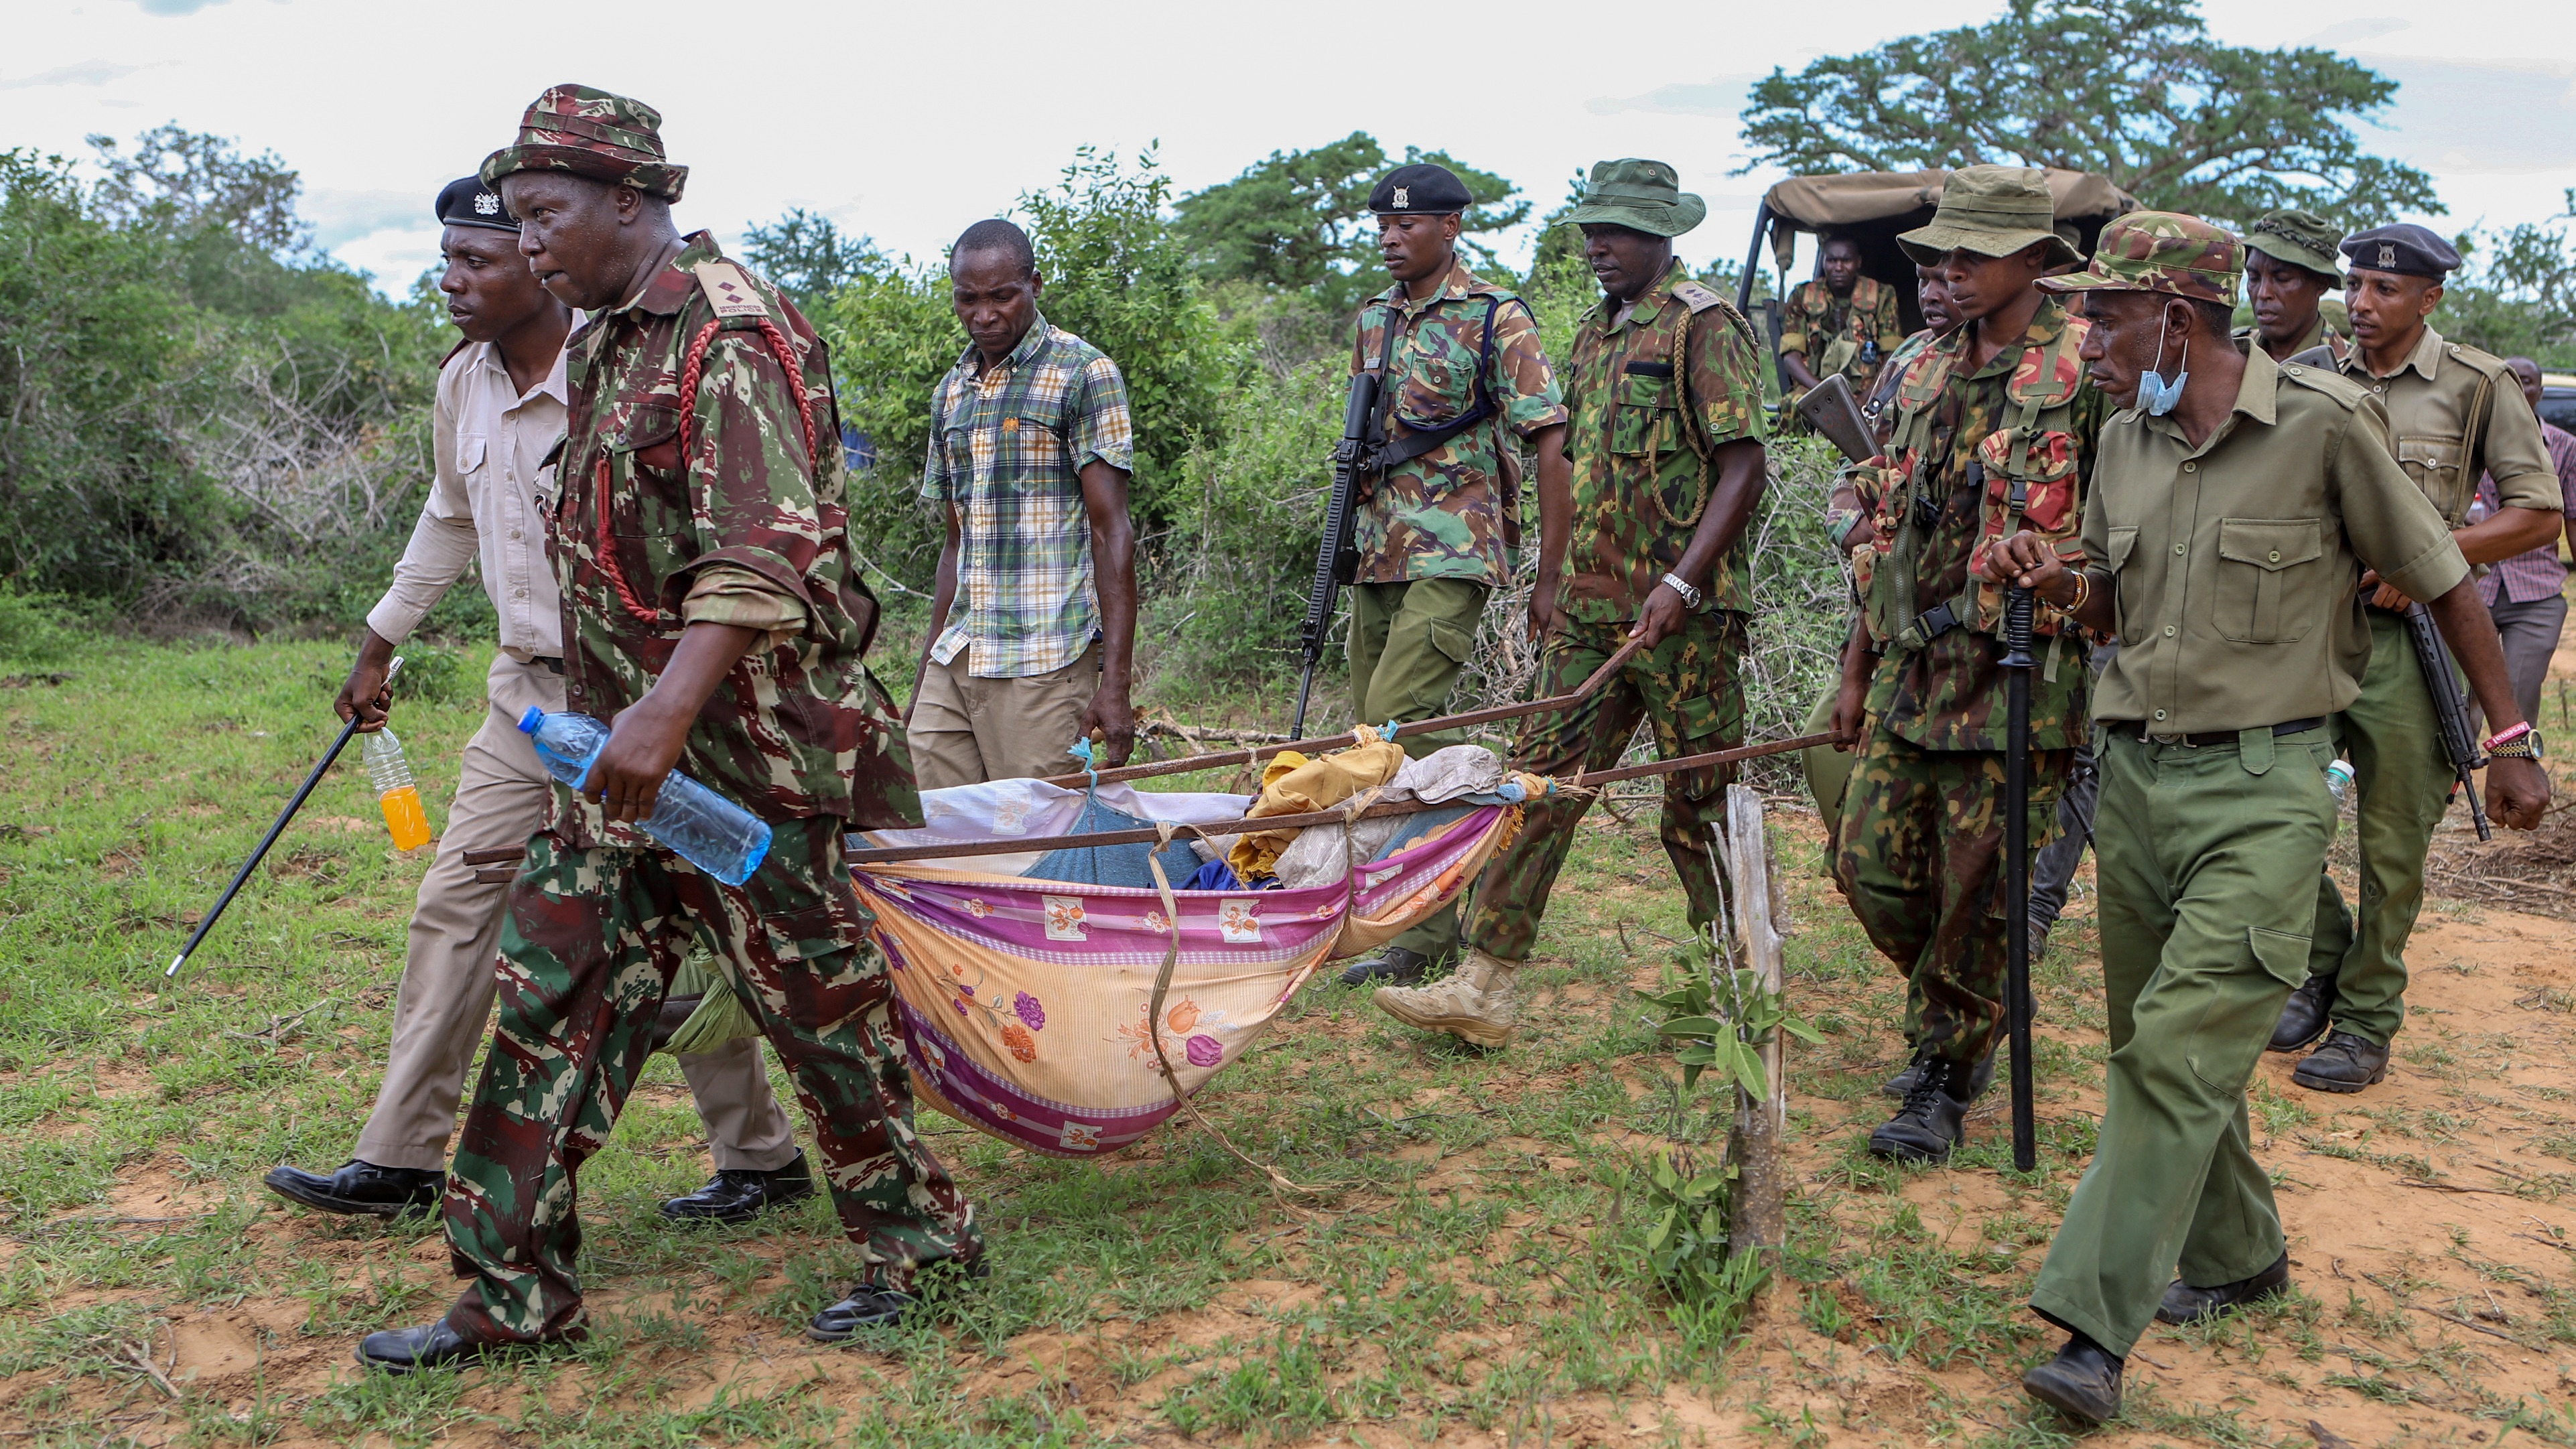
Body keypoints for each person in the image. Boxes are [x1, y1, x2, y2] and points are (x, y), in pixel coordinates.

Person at [358, 86, 978, 1373]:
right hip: (622, 770)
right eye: (520, 218)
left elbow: (764, 556)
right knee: (548, 996)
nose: (531, 242)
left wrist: (660, 714)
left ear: (629, 200)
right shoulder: (604, 345)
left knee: (822, 1015)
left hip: (753, 765)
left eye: (546, 213)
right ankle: (510, 1292)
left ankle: (922, 1246)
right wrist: (611, 727)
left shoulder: (728, 335)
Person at [1990, 212, 2549, 1428]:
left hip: (2263, 790)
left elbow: (2444, 579)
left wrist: (2508, 741)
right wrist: (2057, 577)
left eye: (2103, 317)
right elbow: (2108, 601)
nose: (2084, 341)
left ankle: (2092, 1326)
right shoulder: (2123, 440)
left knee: (2172, 1052)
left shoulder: (2323, 425)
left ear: (2173, 319)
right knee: (2163, 1042)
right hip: (2134, 782)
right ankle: (2240, 1252)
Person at [263, 176, 809, 1231]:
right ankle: (399, 1154)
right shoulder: (462, 382)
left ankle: (760, 1155)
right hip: (523, 699)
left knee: (683, 915)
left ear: (535, 258)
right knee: (457, 901)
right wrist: (379, 642)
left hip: (646, 698)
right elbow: (447, 514)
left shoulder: (627, 367)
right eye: (447, 260)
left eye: (476, 260)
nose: (452, 281)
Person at [1373, 159, 1769, 1048]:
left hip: (1686, 618)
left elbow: (1743, 466)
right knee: (1537, 789)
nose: (1599, 246)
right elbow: (1572, 467)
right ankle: (1484, 983)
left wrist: (1681, 582)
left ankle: (1737, 993)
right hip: (1592, 612)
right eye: (1592, 230)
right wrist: (1550, 582)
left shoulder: (1704, 326)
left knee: (1698, 805)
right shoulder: (1592, 333)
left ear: (1662, 233)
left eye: (1617, 231)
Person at [1829, 166, 2105, 1160]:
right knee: (1866, 866)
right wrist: (1854, 669)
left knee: (1981, 888)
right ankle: (1972, 1007)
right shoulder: (1915, 363)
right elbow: (1879, 516)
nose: (1946, 270)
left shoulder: (2085, 367)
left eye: (1968, 254)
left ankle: (1945, 1073)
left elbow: (2123, 528)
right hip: (1911, 664)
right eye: (1938, 254)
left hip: (2020, 674)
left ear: (2033, 259)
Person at [2270, 224, 2565, 1094]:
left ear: (2428, 299)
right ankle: (2324, 959)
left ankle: (2365, 1019)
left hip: (2411, 640)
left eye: (2384, 289)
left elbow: (2536, 515)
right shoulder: (2306, 373)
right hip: (2304, 632)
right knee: (2272, 808)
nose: (2360, 303)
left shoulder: (2475, 385)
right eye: (2354, 285)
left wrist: (2428, 557)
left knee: (2392, 844)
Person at [1331, 163, 1569, 989]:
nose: (1391, 238)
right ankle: (1410, 917)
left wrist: (1548, 575)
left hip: (1455, 548)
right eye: (1382, 226)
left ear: (1450, 227)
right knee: (1377, 736)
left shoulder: (1495, 316)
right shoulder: (1373, 319)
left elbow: (1550, 439)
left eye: (1409, 225)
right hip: (1377, 551)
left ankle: (1436, 912)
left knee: (1397, 721)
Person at [910, 218, 1138, 787]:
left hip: (1044, 657)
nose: (983, 315)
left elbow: (1112, 532)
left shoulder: (1082, 373)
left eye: (1001, 296)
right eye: (967, 299)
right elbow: (955, 543)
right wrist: (925, 670)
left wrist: (1115, 684)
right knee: (931, 819)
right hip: (959, 652)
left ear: (1034, 285)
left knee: (1038, 829)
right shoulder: (951, 391)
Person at [2467, 357, 2576, 738]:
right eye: (2508, 380)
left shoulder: (2565, 448)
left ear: (2540, 392)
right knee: (2457, 703)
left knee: (2517, 706)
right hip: (2467, 589)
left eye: (2525, 381)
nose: (2517, 387)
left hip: (2536, 595)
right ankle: (2451, 773)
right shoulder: (2464, 441)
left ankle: (2512, 768)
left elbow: (2572, 520)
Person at [1779, 232, 1905, 400]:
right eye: (1832, 260)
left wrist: (1864, 400)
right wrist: (1825, 393)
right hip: (1816, 388)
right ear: (1824, 262)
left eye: (1846, 261)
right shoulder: (1802, 295)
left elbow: (1893, 357)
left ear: (1858, 262)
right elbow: (1791, 358)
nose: (1839, 267)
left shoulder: (1882, 295)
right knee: (1792, 403)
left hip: (1869, 390)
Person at [2240, 209, 2348, 364]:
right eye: (2254, 278)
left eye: (2282, 279)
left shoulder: (2346, 368)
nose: (2263, 293)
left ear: (2321, 284)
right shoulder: (2231, 355)